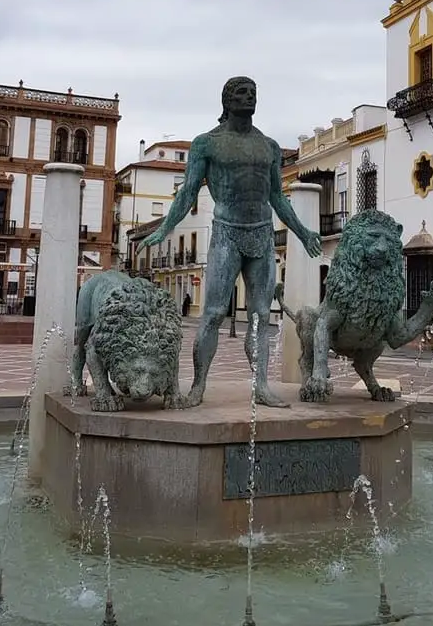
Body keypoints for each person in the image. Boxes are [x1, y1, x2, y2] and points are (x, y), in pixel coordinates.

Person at [138, 77, 321, 406]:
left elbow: (278, 198)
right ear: (226, 100)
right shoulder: (206, 144)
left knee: (260, 316)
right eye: (240, 92)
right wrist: (165, 228)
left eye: (252, 92)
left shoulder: (269, 147)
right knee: (212, 313)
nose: (248, 96)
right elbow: (188, 194)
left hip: (262, 233)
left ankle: (261, 386)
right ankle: (198, 386)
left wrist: (303, 232)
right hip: (226, 232)